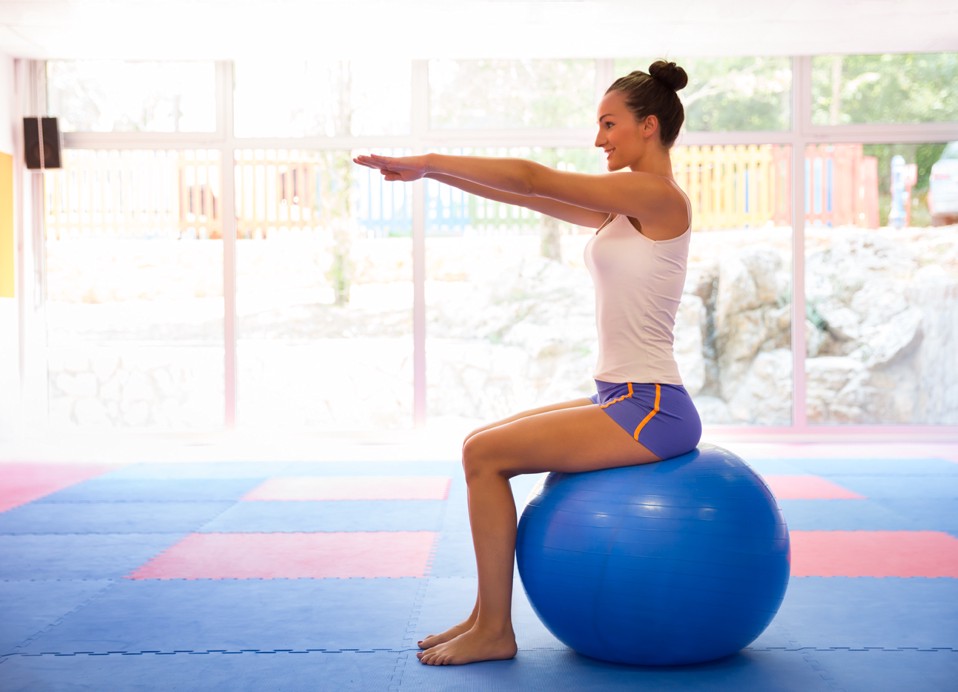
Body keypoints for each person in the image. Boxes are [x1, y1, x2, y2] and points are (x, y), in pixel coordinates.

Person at [353, 60, 702, 667]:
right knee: (480, 443)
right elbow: (527, 192)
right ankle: (484, 616)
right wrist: (432, 178)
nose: (599, 139)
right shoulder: (624, 209)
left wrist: (431, 158)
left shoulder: (656, 196)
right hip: (620, 396)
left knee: (483, 457)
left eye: (609, 124)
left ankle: (495, 630)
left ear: (649, 126)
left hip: (652, 408)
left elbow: (532, 174)